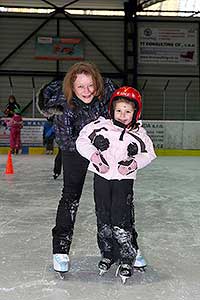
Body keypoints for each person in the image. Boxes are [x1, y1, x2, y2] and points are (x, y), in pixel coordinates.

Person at [36, 61, 145, 276]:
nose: (86, 92)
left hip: (107, 149)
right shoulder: (62, 106)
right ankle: (60, 249)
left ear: (98, 84)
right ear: (72, 88)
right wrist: (92, 149)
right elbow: (67, 141)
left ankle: (129, 246)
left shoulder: (108, 95)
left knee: (118, 200)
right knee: (70, 197)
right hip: (75, 149)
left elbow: (125, 115)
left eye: (90, 86)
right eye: (80, 87)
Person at [76, 86, 156, 283]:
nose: (122, 115)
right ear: (112, 110)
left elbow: (150, 153)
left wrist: (133, 162)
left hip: (123, 182)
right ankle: (108, 253)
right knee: (103, 215)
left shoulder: (139, 133)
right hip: (101, 178)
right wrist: (94, 154)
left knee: (121, 218)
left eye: (128, 111)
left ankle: (127, 257)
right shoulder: (100, 126)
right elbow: (81, 141)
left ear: (135, 113)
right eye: (119, 110)